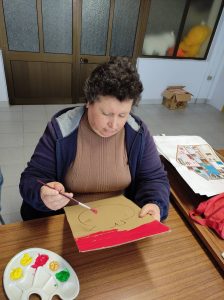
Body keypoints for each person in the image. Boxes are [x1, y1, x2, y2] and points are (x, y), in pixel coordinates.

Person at [19, 57, 170, 221]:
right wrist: (43, 194)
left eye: (122, 115)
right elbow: (32, 178)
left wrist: (154, 203)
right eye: (106, 114)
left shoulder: (137, 133)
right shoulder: (61, 131)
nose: (114, 124)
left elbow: (154, 178)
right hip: (69, 221)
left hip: (120, 220)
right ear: (89, 101)